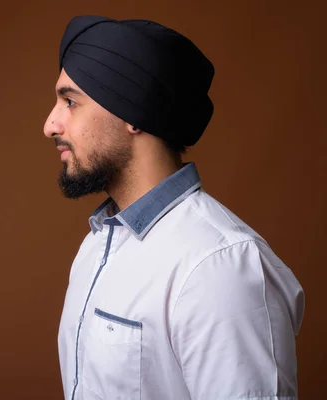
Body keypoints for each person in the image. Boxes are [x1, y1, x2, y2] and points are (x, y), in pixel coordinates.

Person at [43, 15, 304, 400]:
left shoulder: (217, 266)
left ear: (133, 111)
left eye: (70, 102)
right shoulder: (96, 246)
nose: (50, 124)